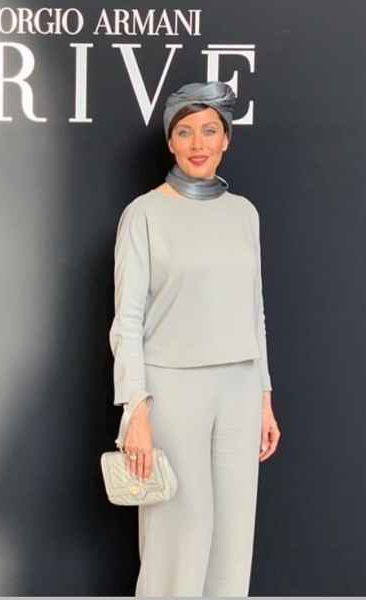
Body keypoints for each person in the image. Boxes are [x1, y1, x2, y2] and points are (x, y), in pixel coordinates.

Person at [108, 81, 281, 597]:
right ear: (171, 142)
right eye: (185, 132)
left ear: (226, 139)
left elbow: (254, 309)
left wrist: (264, 397)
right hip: (172, 387)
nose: (198, 143)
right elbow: (127, 318)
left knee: (232, 534)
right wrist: (135, 409)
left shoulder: (244, 213)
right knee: (179, 533)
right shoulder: (143, 213)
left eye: (209, 130)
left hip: (240, 387)